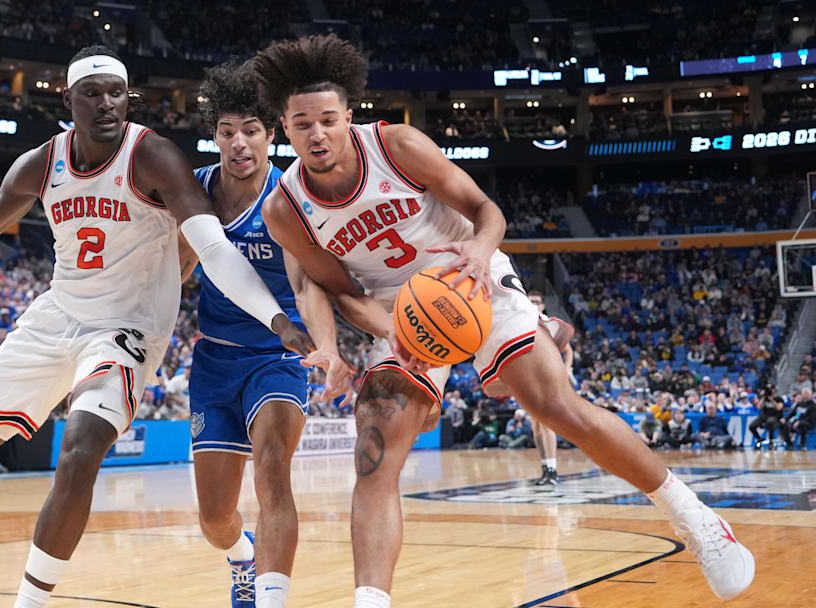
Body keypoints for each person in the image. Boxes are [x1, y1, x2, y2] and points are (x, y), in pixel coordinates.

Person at [0, 45, 317, 608]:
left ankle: (29, 601)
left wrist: (275, 319)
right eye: (91, 94)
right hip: (56, 318)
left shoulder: (155, 157)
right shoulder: (40, 164)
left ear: (129, 98)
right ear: (66, 100)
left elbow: (214, 250)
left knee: (80, 447)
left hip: (126, 331)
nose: (106, 105)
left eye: (116, 93)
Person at [253, 34, 753, 605]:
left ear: (349, 116)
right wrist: (392, 330)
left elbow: (487, 211)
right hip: (399, 309)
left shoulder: (398, 146)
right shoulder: (285, 207)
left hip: (471, 278)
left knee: (555, 407)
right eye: (301, 124)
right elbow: (338, 290)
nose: (317, 134)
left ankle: (695, 518)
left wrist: (479, 251)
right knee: (373, 449)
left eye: (327, 120)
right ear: (284, 129)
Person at [176, 60, 353, 608]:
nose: (239, 143)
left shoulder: (290, 198)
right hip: (213, 362)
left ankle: (273, 599)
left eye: (251, 130)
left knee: (273, 468)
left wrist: (326, 346)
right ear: (215, 137)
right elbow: (174, 270)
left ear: (271, 133)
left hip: (280, 356)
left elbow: (305, 284)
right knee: (214, 519)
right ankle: (240, 558)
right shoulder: (195, 191)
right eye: (226, 131)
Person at [526, 290, 574, 487]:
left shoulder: (546, 322)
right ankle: (545, 467)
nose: (534, 304)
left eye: (537, 301)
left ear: (543, 305)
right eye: (530, 301)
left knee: (546, 424)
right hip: (529, 378)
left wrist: (565, 372)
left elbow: (569, 350)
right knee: (535, 425)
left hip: (547, 378)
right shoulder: (522, 322)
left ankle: (552, 470)